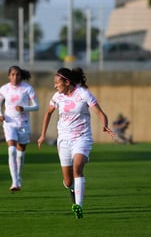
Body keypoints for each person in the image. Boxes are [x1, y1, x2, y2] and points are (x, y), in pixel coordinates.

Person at [37, 67, 115, 219]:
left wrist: (105, 125)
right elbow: (48, 113)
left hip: (82, 138)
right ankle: (72, 190)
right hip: (63, 140)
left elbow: (99, 112)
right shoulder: (57, 96)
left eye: (57, 83)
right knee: (67, 181)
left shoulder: (83, 93)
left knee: (77, 167)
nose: (55, 86)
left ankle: (78, 206)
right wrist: (42, 135)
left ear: (67, 82)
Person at [0, 65, 39, 192]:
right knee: (11, 150)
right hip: (9, 123)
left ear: (21, 75)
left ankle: (18, 177)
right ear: (9, 76)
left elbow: (37, 106)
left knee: (20, 152)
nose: (15, 77)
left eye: (17, 74)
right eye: (12, 74)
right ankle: (14, 182)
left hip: (23, 123)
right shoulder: (4, 89)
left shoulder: (27, 88)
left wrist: (24, 108)